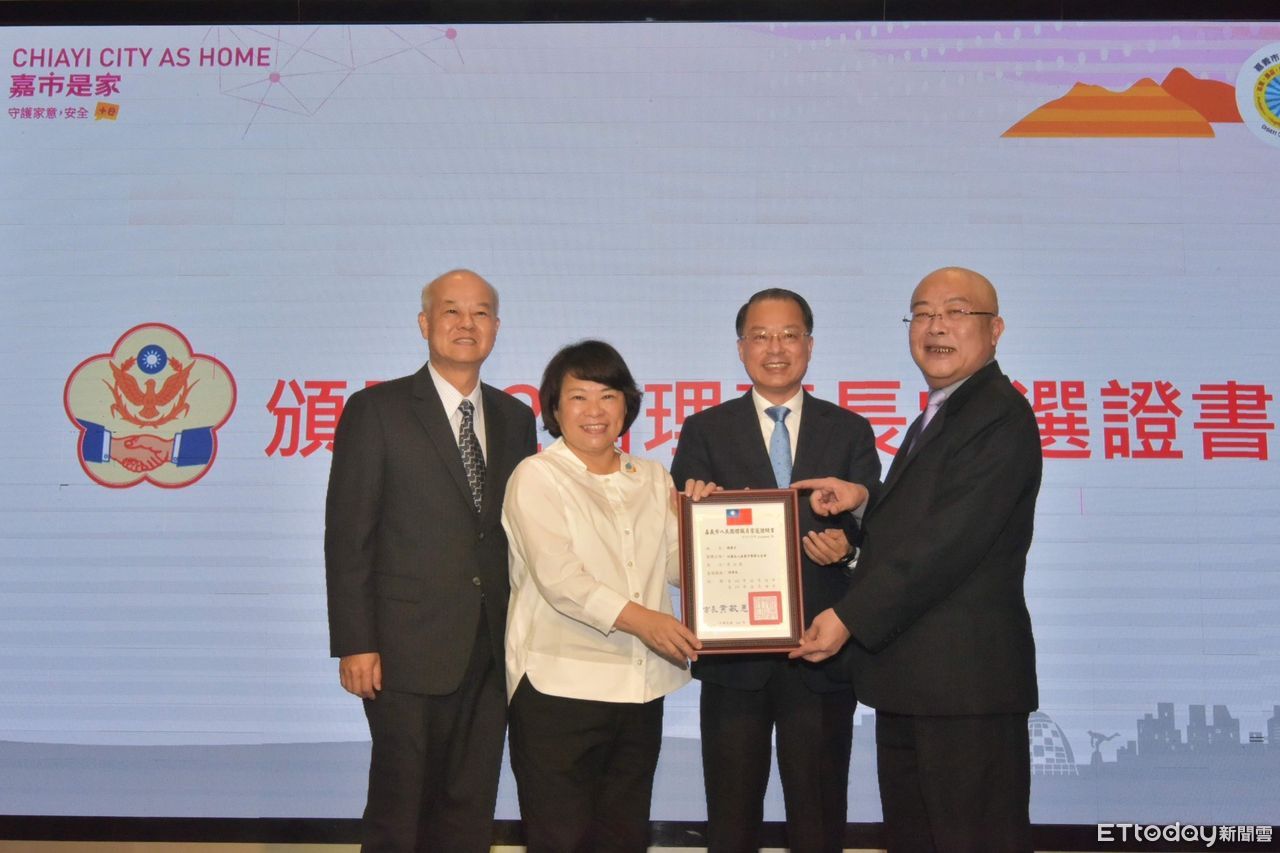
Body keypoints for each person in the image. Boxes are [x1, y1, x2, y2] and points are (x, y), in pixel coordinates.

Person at [790, 267, 1042, 853]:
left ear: (995, 329)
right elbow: (925, 520)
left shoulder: (999, 415)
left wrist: (849, 616)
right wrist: (863, 501)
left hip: (965, 690)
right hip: (916, 684)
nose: (936, 326)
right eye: (922, 313)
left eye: (956, 312)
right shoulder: (944, 412)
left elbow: (948, 543)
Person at [324, 269, 538, 853]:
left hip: (491, 649)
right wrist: (355, 642)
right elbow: (348, 536)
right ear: (425, 323)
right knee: (401, 808)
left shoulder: (516, 419)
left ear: (496, 326)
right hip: (402, 650)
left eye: (480, 312)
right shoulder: (377, 410)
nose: (466, 324)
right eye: (451, 311)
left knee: (470, 809)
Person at [670, 289, 881, 853]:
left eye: (789, 335)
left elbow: (880, 528)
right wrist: (693, 504)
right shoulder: (705, 430)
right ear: (741, 348)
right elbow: (679, 532)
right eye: (760, 336)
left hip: (821, 651)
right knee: (730, 818)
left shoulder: (850, 429)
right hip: (733, 658)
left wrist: (848, 547)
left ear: (809, 345)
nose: (776, 348)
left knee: (820, 817)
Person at [502, 339, 714, 853]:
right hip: (559, 689)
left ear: (627, 406)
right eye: (578, 397)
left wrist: (706, 525)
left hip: (640, 689)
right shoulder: (537, 476)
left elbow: (676, 567)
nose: (594, 411)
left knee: (623, 837)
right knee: (560, 839)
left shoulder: (652, 477)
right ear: (555, 409)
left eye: (608, 396)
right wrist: (645, 621)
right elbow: (562, 581)